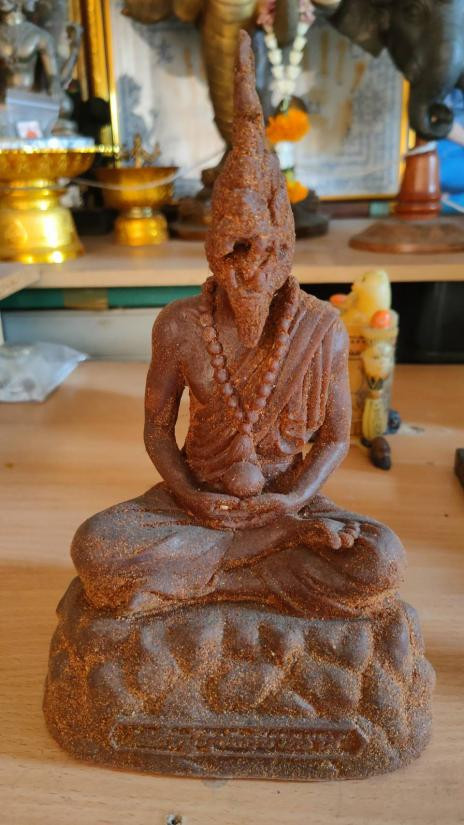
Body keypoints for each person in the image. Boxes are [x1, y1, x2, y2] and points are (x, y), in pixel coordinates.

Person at [72, 31, 405, 620]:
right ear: (212, 252)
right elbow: (157, 429)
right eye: (235, 251)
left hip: (285, 503)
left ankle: (207, 572)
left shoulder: (322, 328)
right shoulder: (179, 325)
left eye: (265, 251)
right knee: (97, 546)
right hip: (198, 505)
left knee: (382, 562)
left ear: (287, 249)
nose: (249, 271)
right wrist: (189, 494)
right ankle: (258, 562)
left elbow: (333, 439)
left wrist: (293, 499)